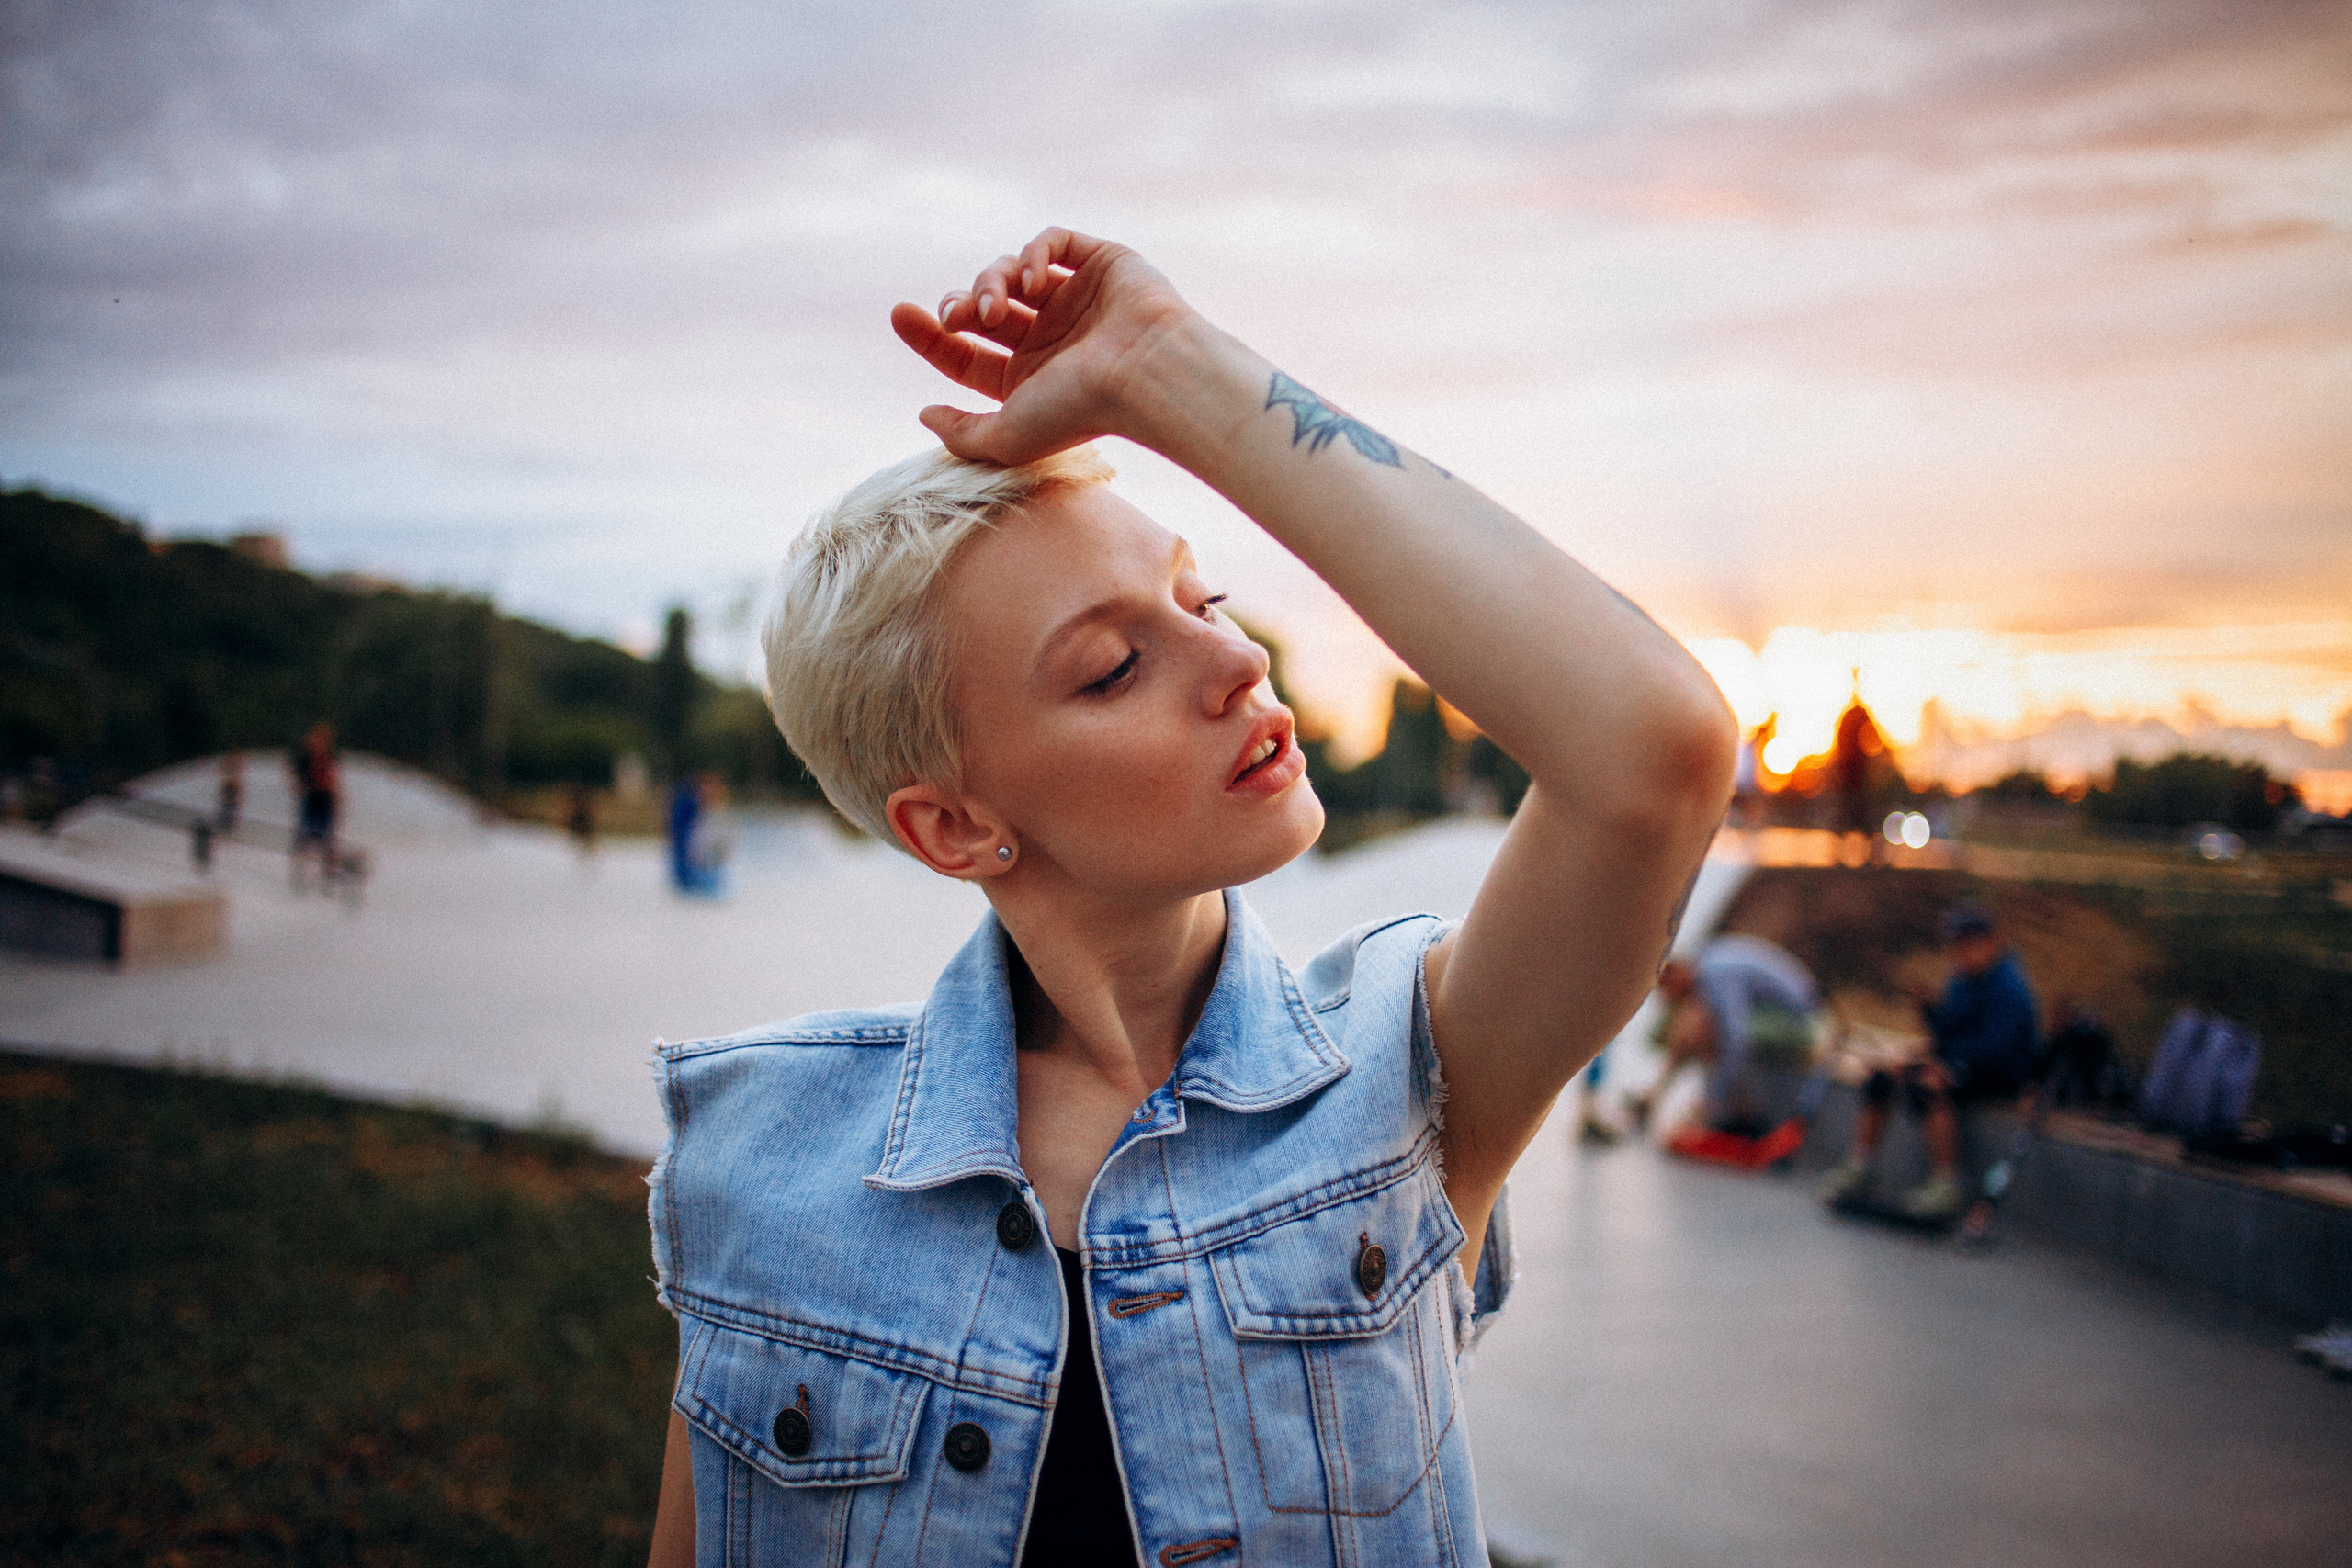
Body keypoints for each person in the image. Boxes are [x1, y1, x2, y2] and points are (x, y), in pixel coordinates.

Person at [642, 229, 1737, 1567]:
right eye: (1113, 666)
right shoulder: (765, 1161)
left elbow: (1655, 753)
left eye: (1200, 594)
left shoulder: (1408, 1072)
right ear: (957, 823)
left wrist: (1170, 370)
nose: (1235, 656)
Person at [1817, 901, 2040, 1220]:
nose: (1957, 952)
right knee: (1882, 1078)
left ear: (1989, 941)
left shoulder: (2009, 987)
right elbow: (1950, 1032)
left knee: (1930, 1087)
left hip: (1999, 1072)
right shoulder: (1962, 979)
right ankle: (1859, 1164)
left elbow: (1997, 1048)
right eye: (1955, 945)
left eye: (1965, 944)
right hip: (1963, 1060)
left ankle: (1945, 1182)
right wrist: (1926, 1016)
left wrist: (1947, 1065)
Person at [1627, 934, 1819, 1136]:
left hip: (1799, 1021)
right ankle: (1652, 1096)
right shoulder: (1709, 961)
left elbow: (1736, 1037)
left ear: (1674, 973)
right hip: (1775, 1011)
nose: (1665, 997)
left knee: (1702, 1030)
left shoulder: (1716, 976)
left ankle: (1712, 1110)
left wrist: (1715, 1096)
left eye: (1664, 988)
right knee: (1695, 1026)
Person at [288, 724, 339, 890]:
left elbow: (333, 778)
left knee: (326, 838)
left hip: (325, 798)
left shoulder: (328, 756)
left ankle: (327, 876)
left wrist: (336, 797)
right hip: (312, 797)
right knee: (304, 835)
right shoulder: (305, 757)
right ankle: (299, 872)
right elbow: (295, 774)